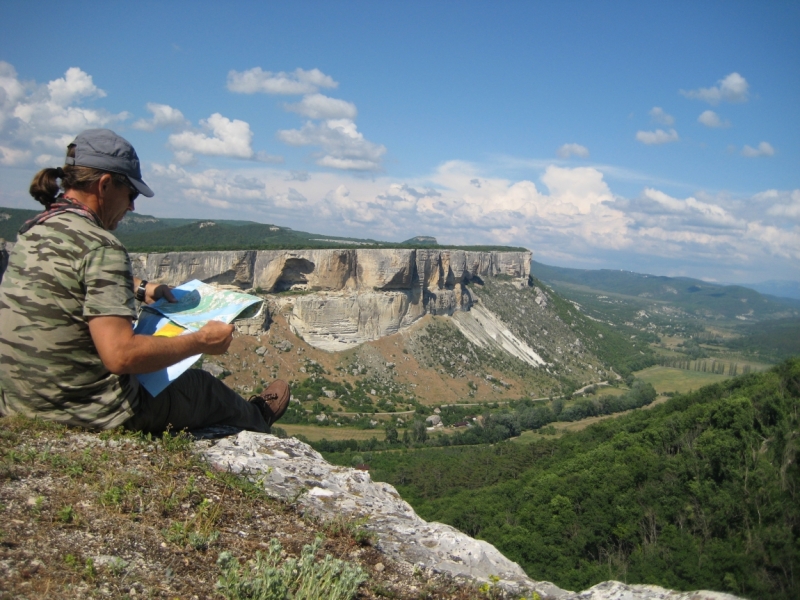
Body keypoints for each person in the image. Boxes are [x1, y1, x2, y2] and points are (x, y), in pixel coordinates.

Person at [0, 128, 289, 434]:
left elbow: (70, 279)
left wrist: (140, 287)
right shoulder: (102, 246)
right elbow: (120, 355)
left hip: (20, 401)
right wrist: (201, 342)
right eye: (131, 194)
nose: (132, 206)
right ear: (105, 184)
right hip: (85, 410)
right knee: (203, 388)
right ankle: (258, 418)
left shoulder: (35, 229)